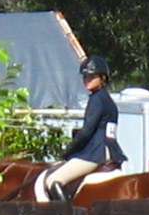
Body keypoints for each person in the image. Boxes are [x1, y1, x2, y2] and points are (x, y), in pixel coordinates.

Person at [45, 55, 127, 203]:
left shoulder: (96, 99)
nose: (87, 80)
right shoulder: (108, 100)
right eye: (85, 77)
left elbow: (86, 132)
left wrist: (68, 152)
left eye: (92, 76)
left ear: (103, 78)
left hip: (96, 152)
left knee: (53, 180)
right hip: (111, 151)